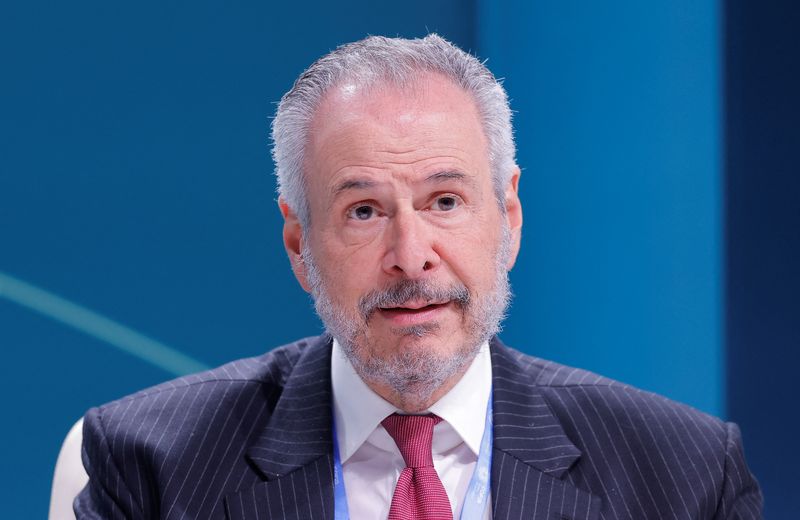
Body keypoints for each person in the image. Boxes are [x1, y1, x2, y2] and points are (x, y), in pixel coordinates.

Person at [74, 34, 762, 519]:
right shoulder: (152, 466)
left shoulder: (683, 474)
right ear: (298, 244)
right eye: (365, 209)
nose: (411, 254)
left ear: (511, 218)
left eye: (445, 202)